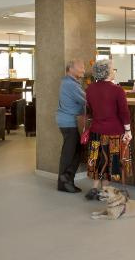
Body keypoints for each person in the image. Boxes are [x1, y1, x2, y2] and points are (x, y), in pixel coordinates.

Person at [85, 59, 132, 199]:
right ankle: (105, 190)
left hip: (96, 130)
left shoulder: (90, 89)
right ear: (107, 72)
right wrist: (128, 131)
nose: (114, 71)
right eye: (112, 69)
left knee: (97, 158)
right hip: (113, 131)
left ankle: (94, 188)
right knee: (109, 160)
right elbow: (124, 112)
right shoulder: (117, 90)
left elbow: (90, 109)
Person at [55, 58, 86, 193]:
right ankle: (64, 182)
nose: (83, 70)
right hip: (69, 122)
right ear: (71, 69)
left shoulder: (68, 82)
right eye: (81, 67)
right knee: (70, 153)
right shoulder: (71, 84)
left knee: (74, 152)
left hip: (67, 121)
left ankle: (66, 181)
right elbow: (86, 100)